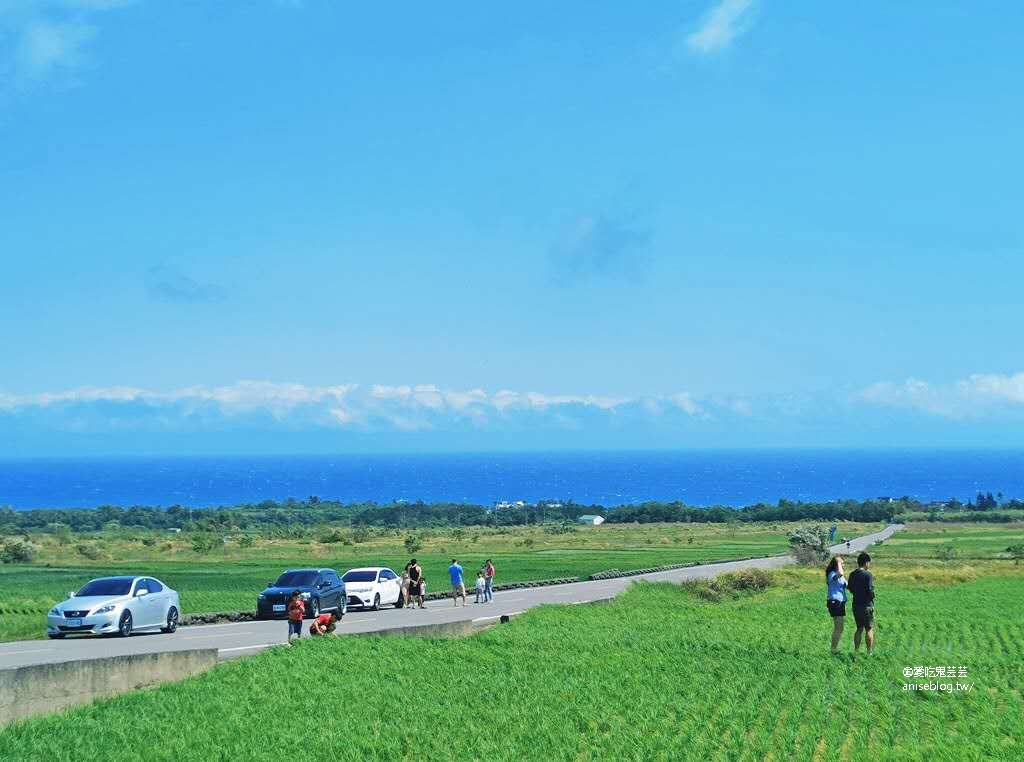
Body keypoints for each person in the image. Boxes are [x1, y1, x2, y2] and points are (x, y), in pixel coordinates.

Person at [848, 552, 876, 655]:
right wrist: (872, 596)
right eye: (869, 563)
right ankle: (869, 652)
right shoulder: (867, 574)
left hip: (856, 605)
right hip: (867, 605)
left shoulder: (852, 574)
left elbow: (850, 588)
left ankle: (856, 651)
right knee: (869, 629)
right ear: (866, 562)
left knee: (859, 628)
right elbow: (870, 590)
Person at [825, 555, 848, 654]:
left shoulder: (841, 577)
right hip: (835, 602)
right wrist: (838, 562)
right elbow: (840, 573)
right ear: (837, 565)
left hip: (840, 602)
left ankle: (834, 648)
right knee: (838, 627)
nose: (843, 565)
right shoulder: (832, 574)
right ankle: (833, 650)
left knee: (840, 628)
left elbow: (848, 586)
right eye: (842, 563)